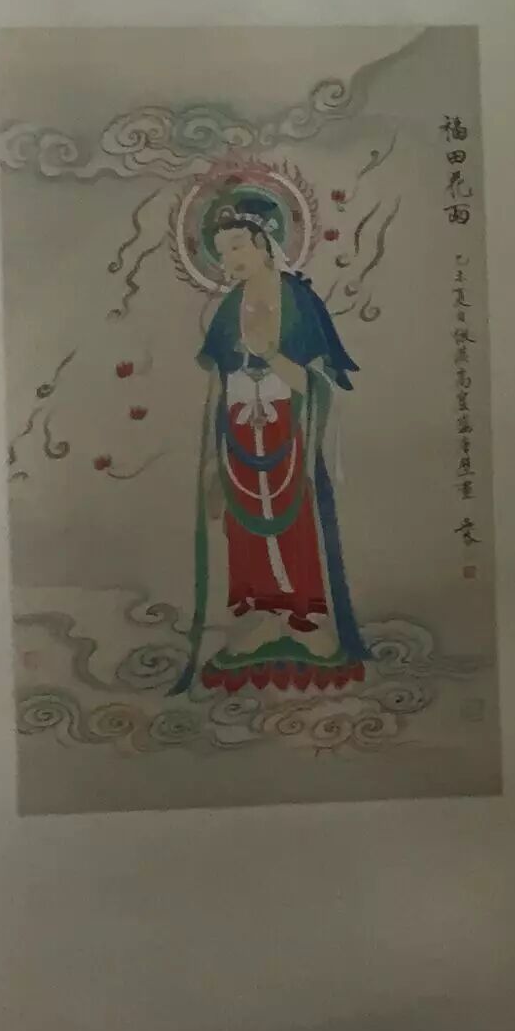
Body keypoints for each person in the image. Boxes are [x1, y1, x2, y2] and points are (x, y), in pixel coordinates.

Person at [183, 201, 370, 693]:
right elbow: (217, 382)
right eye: (222, 252)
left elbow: (319, 379)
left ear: (264, 244)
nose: (230, 260)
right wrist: (211, 455)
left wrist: (271, 355)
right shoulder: (228, 308)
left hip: (289, 429)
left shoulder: (298, 300)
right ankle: (264, 616)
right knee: (245, 523)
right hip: (238, 432)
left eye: (237, 246)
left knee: (294, 517)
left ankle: (304, 618)